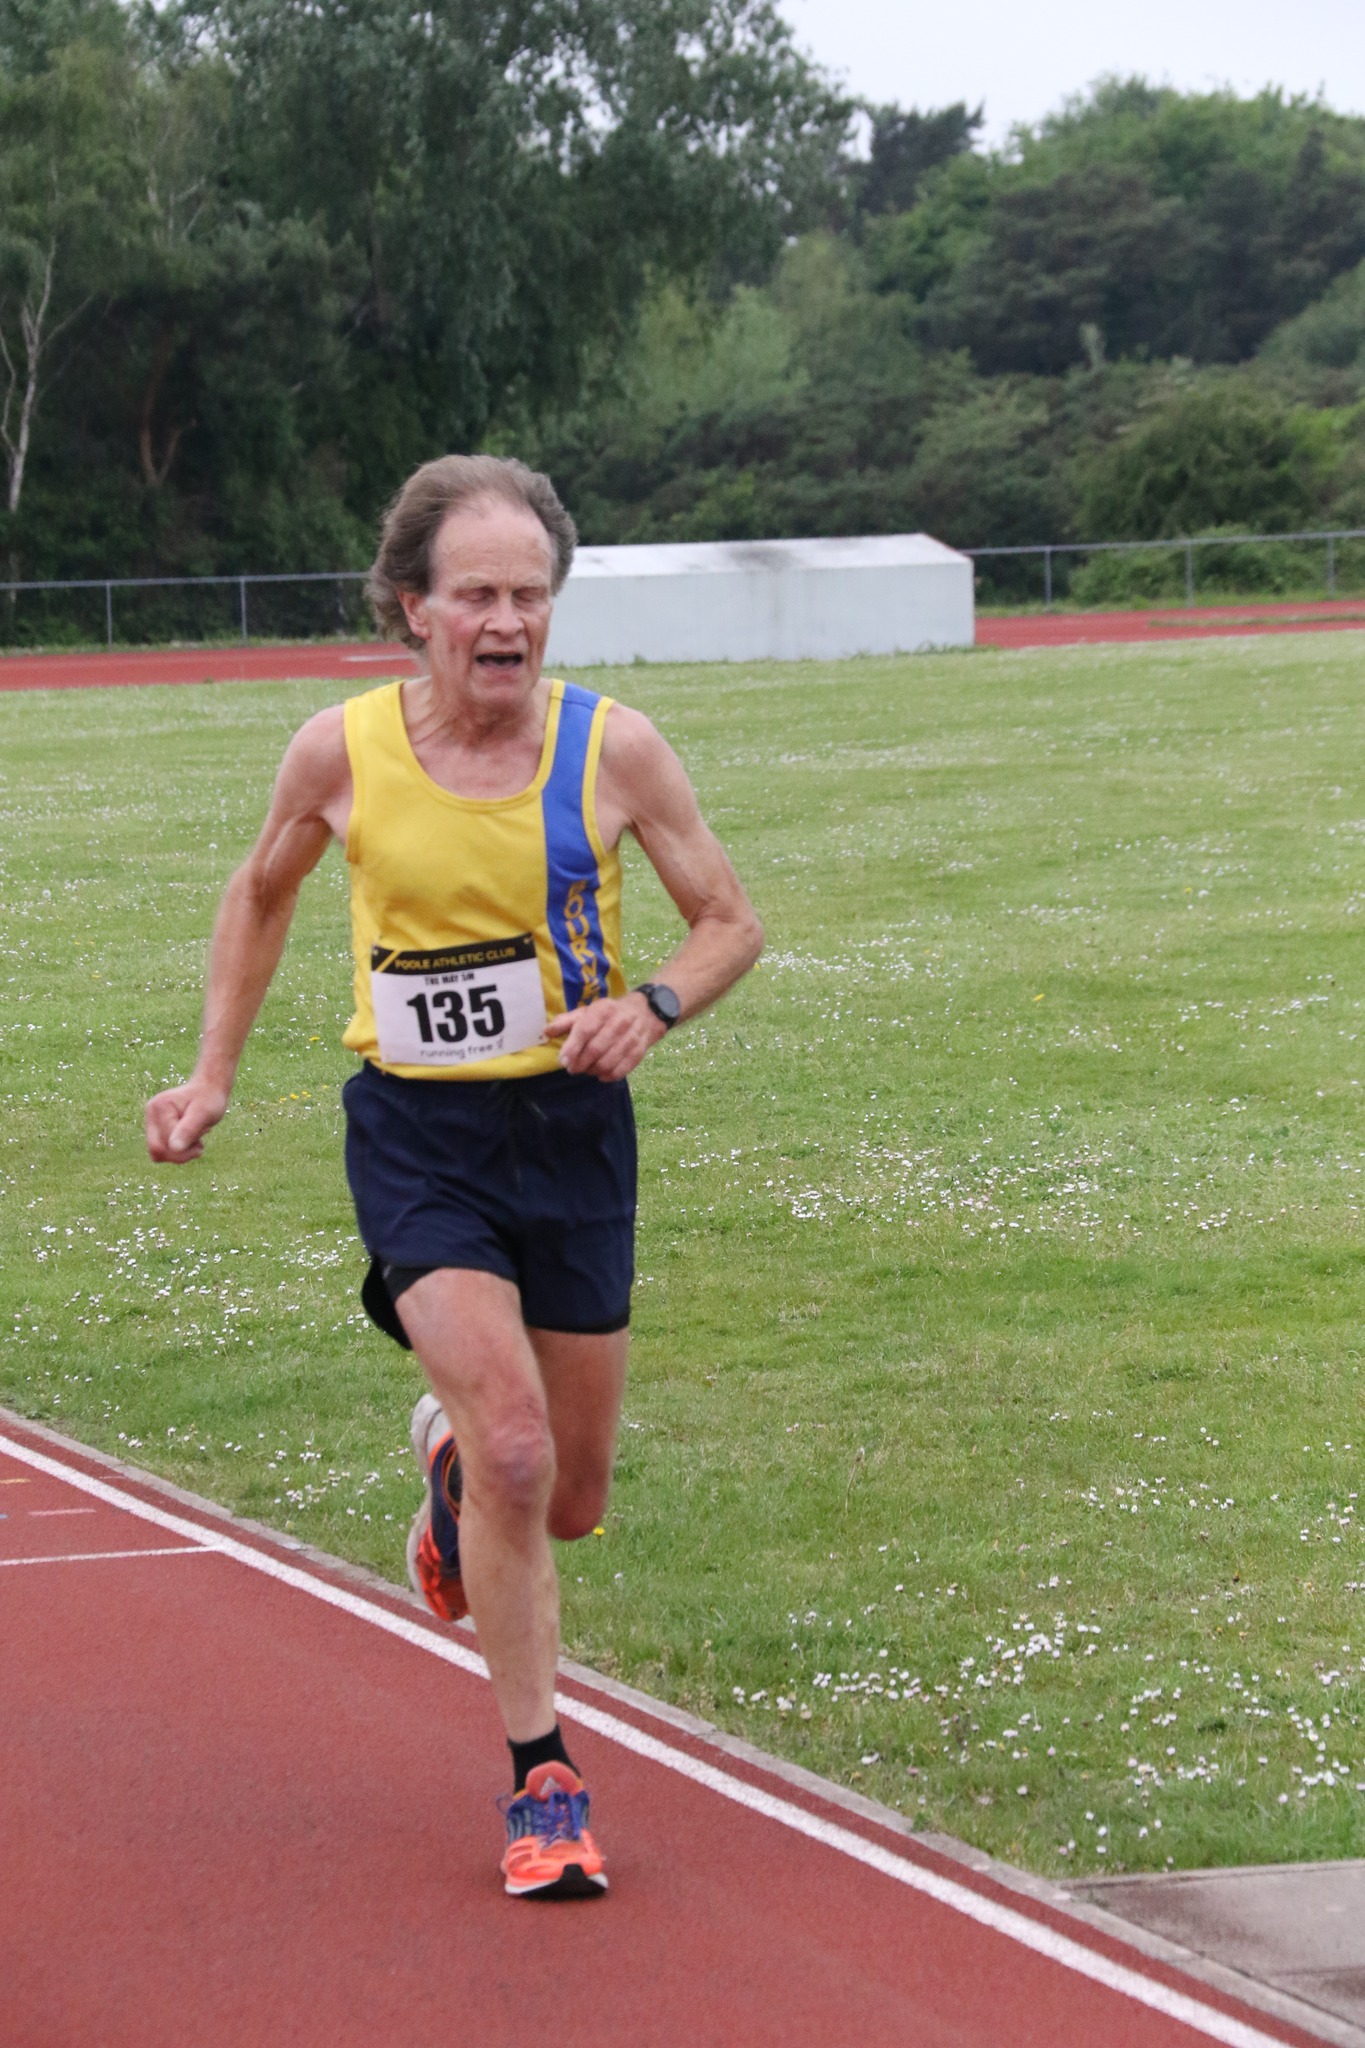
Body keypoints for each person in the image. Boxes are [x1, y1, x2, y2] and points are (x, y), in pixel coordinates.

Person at [144, 453, 764, 1898]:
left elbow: (728, 921)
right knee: (519, 1448)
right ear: (413, 607)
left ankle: (448, 1474)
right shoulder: (340, 752)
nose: (508, 621)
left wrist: (652, 1005)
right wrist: (213, 1073)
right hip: (419, 1135)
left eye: (530, 594)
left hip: (572, 1130)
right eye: (477, 594)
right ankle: (542, 1780)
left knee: (570, 1496)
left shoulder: (614, 750)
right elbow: (261, 893)